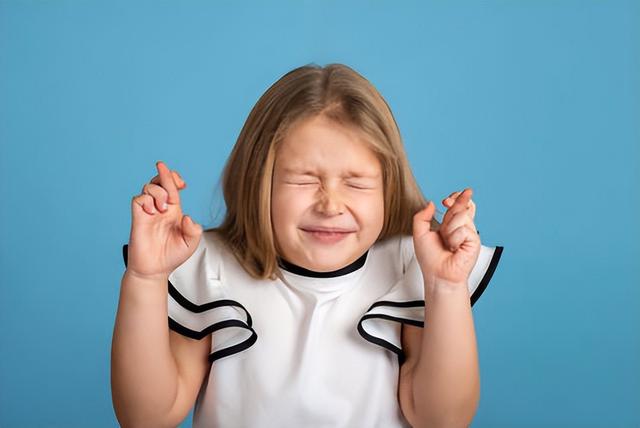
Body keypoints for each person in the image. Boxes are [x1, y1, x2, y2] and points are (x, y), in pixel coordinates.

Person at [111, 63, 504, 428]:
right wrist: (146, 278)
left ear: (387, 186)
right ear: (257, 180)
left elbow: (442, 419)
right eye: (303, 179)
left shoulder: (408, 268)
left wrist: (446, 288)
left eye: (355, 182)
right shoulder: (211, 270)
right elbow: (147, 417)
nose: (330, 205)